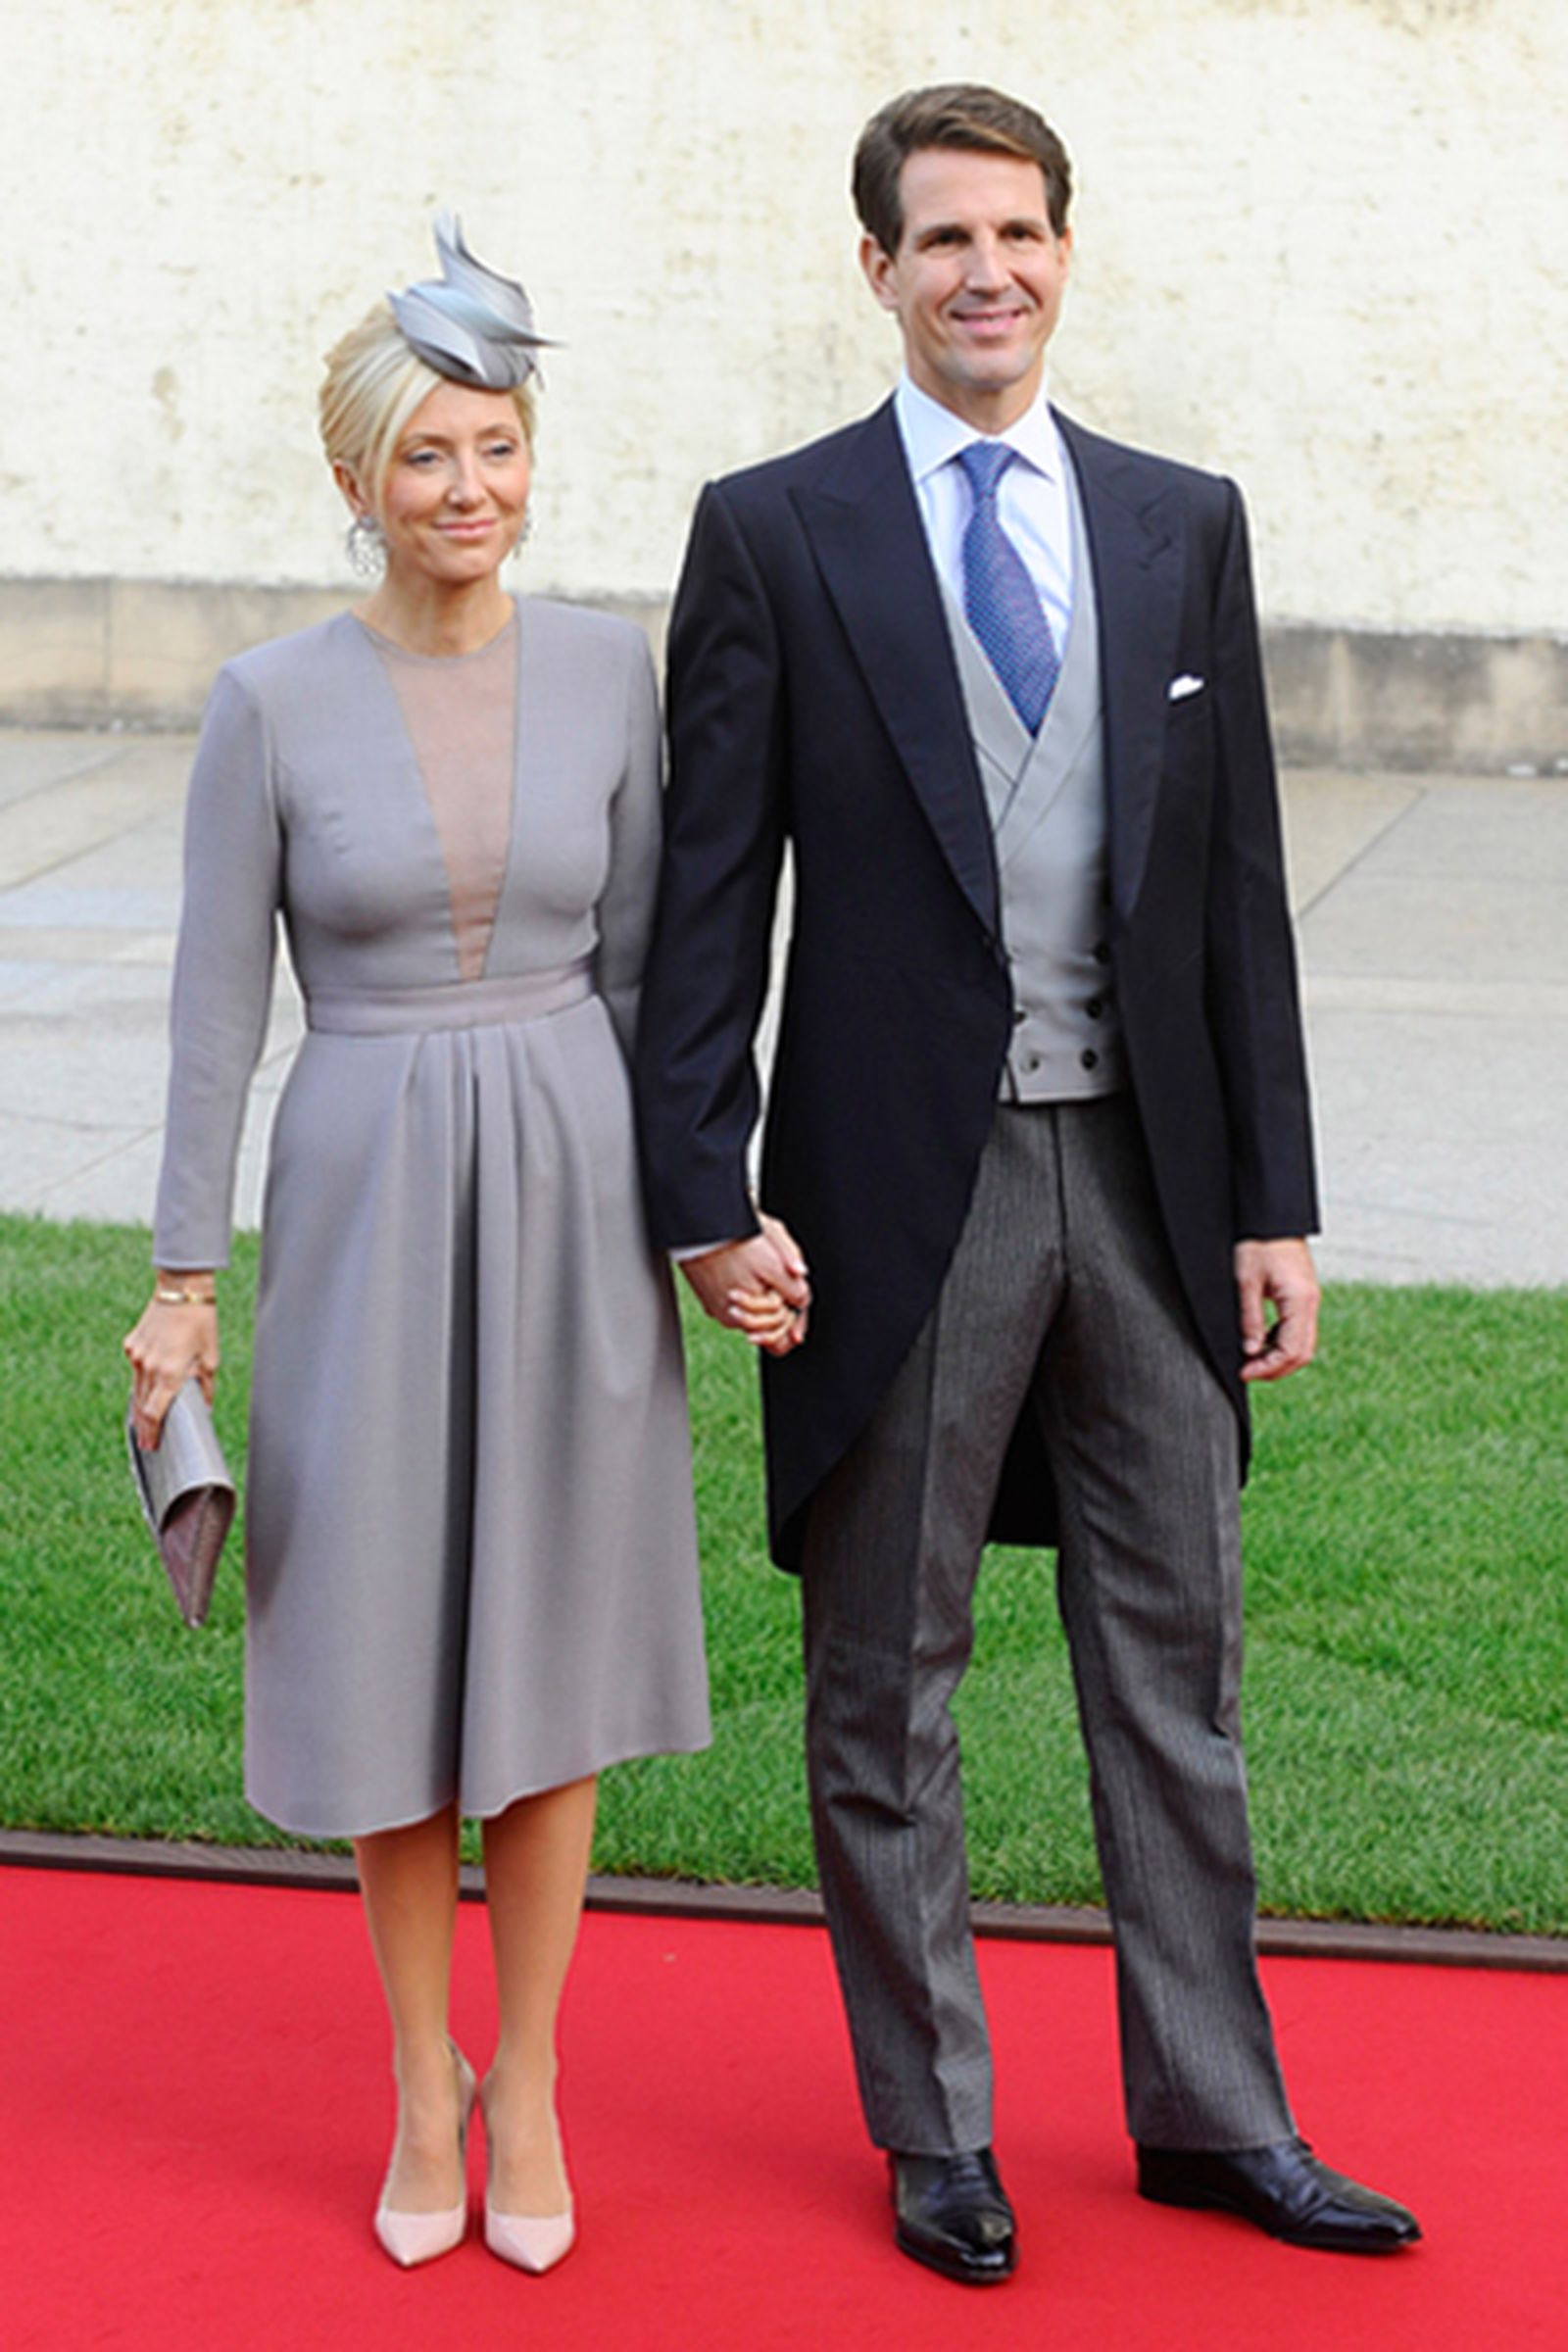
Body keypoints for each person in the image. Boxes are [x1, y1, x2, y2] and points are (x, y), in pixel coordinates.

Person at [634, 86, 1421, 2283]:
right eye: (939, 238)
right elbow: (713, 904)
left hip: (1156, 1193)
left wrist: (1273, 1197)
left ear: (1064, 253)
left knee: (1175, 1666)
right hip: (900, 1191)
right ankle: (936, 2131)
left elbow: (1234, 894)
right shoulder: (776, 532)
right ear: (870, 270)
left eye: (1017, 232)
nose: (985, 270)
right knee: (887, 1677)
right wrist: (706, 1188)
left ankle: (1212, 2115)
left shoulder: (1181, 524)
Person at [122, 217, 750, 2275]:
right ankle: (420, 2080)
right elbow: (222, 1005)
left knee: (549, 1651)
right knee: (391, 1636)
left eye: (494, 448)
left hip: (577, 1180)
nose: (467, 490)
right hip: (367, 1182)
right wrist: (182, 1277)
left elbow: (667, 980)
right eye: (425, 457)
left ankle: (535, 2072)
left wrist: (703, 1219)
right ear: (353, 476)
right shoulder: (266, 703)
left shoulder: (604, 669)